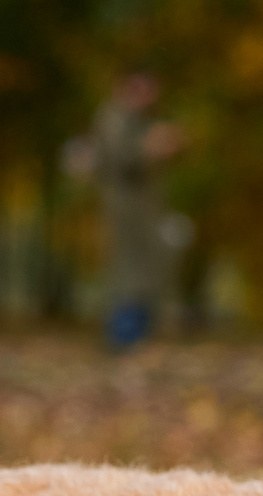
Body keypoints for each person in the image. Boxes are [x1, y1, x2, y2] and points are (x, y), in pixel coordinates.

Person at [66, 75, 184, 350]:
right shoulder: (115, 118)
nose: (150, 97)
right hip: (124, 206)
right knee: (129, 269)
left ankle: (134, 338)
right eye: (145, 90)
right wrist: (151, 147)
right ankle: (123, 338)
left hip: (139, 207)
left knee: (143, 267)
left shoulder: (133, 120)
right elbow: (119, 160)